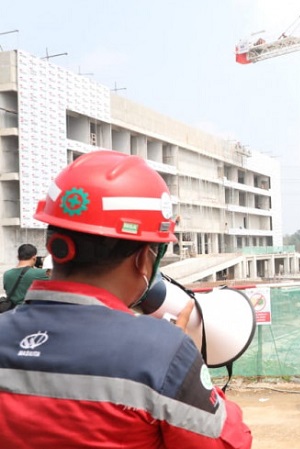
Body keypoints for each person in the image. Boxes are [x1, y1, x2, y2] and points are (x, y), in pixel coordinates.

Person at [0, 151, 252, 448]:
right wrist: (184, 364)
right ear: (144, 258)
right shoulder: (162, 351)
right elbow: (226, 442)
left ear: (54, 243)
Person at [2, 244, 49, 308]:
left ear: (18, 257)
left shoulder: (7, 274)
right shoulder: (41, 273)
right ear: (34, 258)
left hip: (13, 311)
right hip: (31, 312)